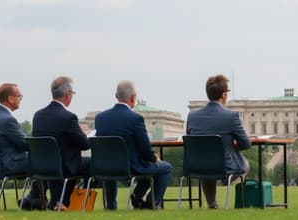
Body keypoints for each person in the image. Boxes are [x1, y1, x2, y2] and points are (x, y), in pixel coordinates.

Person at [95, 81, 172, 210]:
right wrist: (154, 158)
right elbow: (145, 148)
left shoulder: (100, 118)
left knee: (118, 167)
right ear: (133, 97)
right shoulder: (135, 119)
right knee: (165, 168)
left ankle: (113, 205)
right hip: (131, 167)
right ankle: (151, 203)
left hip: (106, 165)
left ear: (116, 96)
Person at [186, 74, 251, 209]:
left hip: (198, 166)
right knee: (245, 164)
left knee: (207, 163)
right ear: (224, 95)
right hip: (224, 167)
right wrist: (234, 145)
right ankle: (239, 200)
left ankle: (212, 203)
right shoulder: (231, 116)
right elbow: (246, 144)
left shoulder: (192, 116)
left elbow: (191, 138)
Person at [32, 76, 90, 210]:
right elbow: (84, 145)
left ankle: (58, 201)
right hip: (64, 165)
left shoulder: (38, 115)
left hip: (42, 164)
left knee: (69, 162)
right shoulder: (68, 117)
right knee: (92, 163)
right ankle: (70, 202)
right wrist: (84, 134)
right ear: (68, 94)